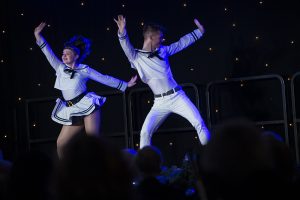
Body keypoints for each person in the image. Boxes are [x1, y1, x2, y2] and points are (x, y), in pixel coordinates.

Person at [34, 22, 137, 158]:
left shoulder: (84, 69)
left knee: (92, 143)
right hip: (71, 109)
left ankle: (103, 171)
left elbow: (103, 78)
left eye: (68, 54)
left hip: (87, 105)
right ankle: (66, 173)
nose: (64, 56)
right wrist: (38, 35)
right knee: (61, 143)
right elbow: (48, 52)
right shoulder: (59, 68)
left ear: (76, 56)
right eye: (63, 54)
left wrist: (125, 84)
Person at [114, 15, 210, 148]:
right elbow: (126, 45)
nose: (162, 39)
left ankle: (213, 160)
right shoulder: (136, 56)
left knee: (199, 123)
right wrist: (122, 32)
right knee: (145, 133)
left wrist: (199, 32)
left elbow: (180, 44)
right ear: (150, 38)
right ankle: (145, 166)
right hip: (159, 102)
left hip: (177, 97)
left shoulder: (163, 51)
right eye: (160, 37)